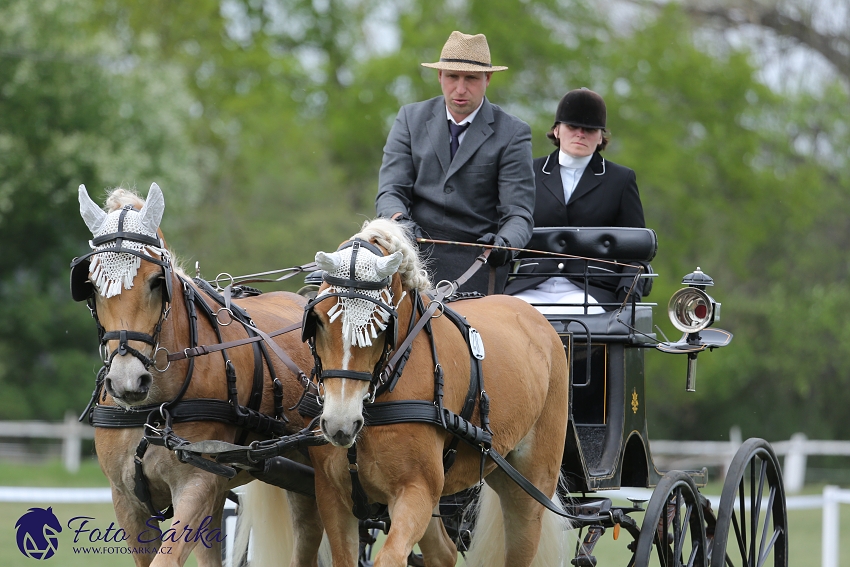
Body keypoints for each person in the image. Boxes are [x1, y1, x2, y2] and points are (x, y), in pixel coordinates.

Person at [375, 31, 535, 295]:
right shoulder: (409, 118)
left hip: (478, 261)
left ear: (488, 78)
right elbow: (390, 191)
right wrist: (399, 220)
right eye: (452, 77)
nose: (460, 89)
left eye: (471, 78)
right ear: (440, 76)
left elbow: (519, 213)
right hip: (412, 254)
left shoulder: (513, 132)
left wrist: (504, 245)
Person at [505, 88, 649, 312]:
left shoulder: (620, 180)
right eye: (572, 126)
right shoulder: (529, 172)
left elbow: (636, 249)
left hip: (591, 289)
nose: (580, 134)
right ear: (557, 130)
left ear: (601, 136)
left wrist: (626, 297)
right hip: (531, 284)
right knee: (506, 316)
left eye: (590, 129)